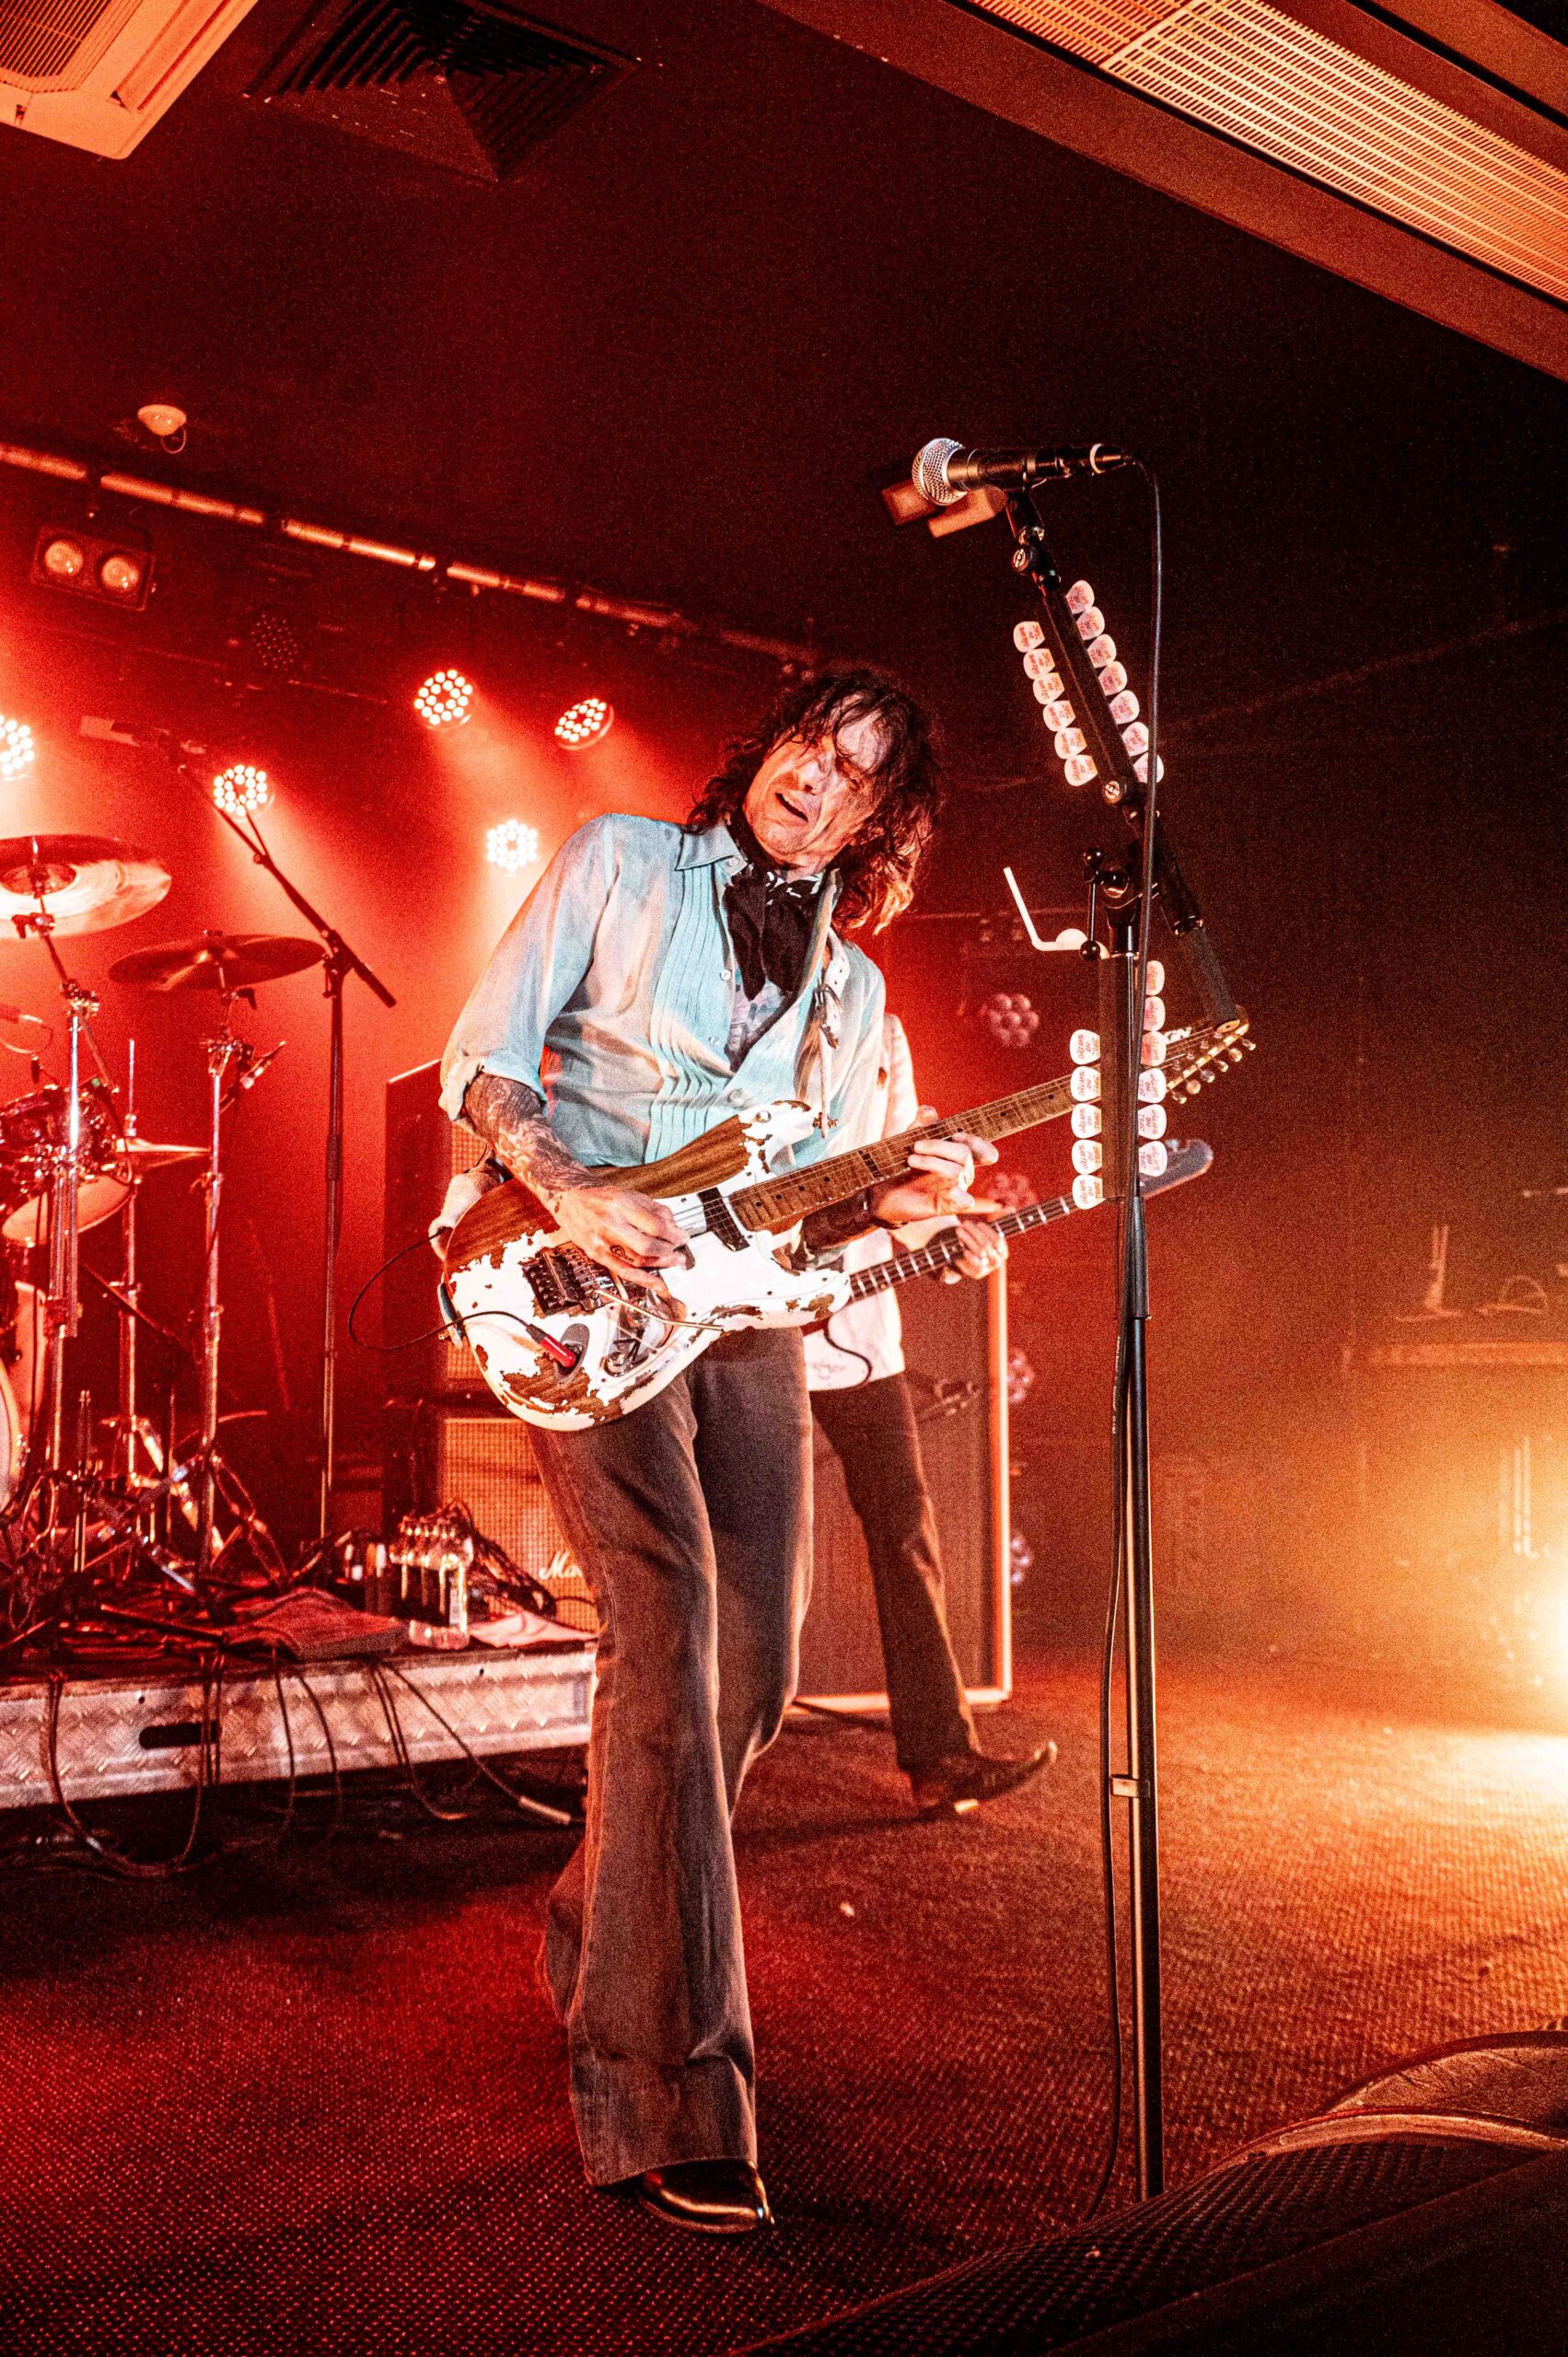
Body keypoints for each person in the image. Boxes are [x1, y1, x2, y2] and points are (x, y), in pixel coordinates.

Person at [439, 670, 997, 2235]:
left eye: (856, 773)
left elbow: (824, 1202)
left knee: (753, 1662)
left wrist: (916, 1207)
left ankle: (601, 1923)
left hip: (741, 1320)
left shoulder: (854, 993)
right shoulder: (620, 860)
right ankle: (666, 2093)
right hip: (580, 1289)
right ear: (767, 748)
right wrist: (567, 1187)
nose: (816, 778)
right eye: (810, 743)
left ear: (880, 823)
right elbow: (482, 1060)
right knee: (668, 1626)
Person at [805, 1011, 1055, 1812]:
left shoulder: (880, 1030)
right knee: (748, 1556)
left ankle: (942, 1756)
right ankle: (691, 1770)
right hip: (747, 1337)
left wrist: (957, 1242)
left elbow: (915, 1187)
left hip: (861, 1339)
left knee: (906, 1532)